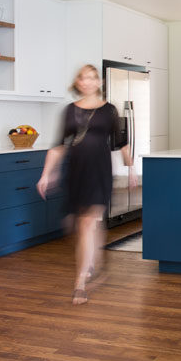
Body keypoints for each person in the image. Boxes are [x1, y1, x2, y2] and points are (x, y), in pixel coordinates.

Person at [37, 64, 129, 305]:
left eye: (91, 78)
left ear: (99, 82)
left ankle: (79, 284)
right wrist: (46, 174)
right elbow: (59, 145)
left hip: (99, 171)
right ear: (77, 82)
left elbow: (120, 141)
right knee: (81, 225)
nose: (87, 82)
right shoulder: (70, 111)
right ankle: (91, 261)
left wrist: (130, 168)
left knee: (88, 223)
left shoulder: (109, 110)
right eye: (82, 78)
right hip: (76, 171)